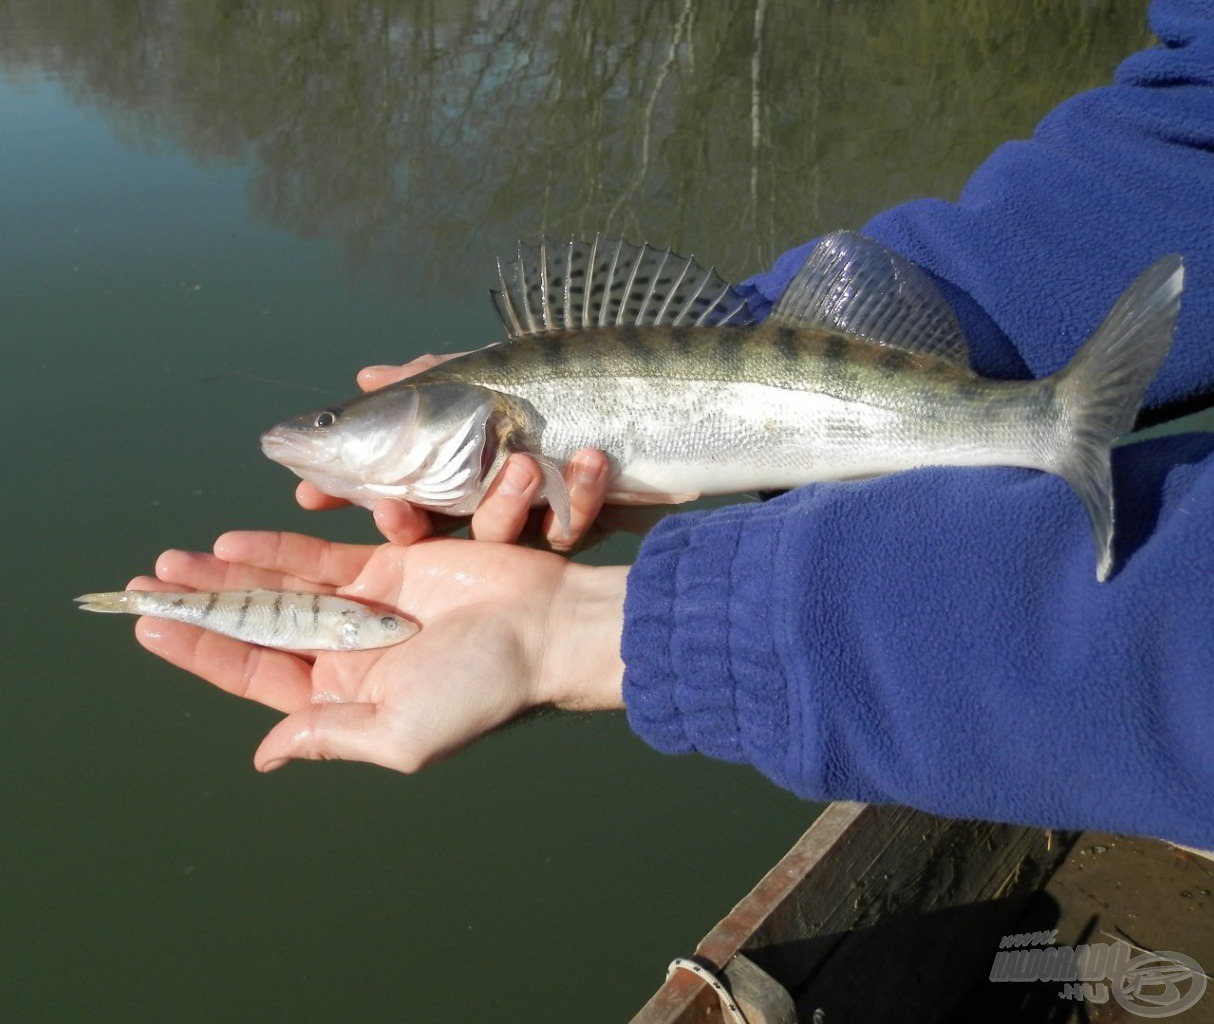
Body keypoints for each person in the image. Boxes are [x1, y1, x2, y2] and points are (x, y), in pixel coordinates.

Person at [131, 0, 1214, 848]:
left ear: (455, 404)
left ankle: (1043, 425)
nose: (314, 434)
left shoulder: (504, 406)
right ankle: (1039, 424)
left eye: (333, 421)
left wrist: (599, 630)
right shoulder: (496, 411)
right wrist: (743, 336)